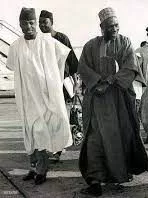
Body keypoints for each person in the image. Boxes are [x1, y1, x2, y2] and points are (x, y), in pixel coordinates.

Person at [78, 7, 148, 197]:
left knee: (119, 137)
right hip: (96, 101)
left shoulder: (125, 42)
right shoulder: (90, 46)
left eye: (117, 25)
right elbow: (83, 67)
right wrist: (96, 83)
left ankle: (118, 174)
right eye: (110, 26)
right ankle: (94, 180)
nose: (115, 29)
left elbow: (130, 66)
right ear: (102, 27)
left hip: (118, 100)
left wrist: (109, 81)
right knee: (94, 139)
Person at [6, 8, 73, 185]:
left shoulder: (48, 42)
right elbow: (12, 66)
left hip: (44, 97)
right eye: (24, 23)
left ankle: (42, 170)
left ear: (35, 23)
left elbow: (63, 58)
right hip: (26, 96)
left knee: (41, 131)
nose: (28, 26)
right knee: (29, 132)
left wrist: (55, 86)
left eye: (31, 23)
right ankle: (33, 167)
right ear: (19, 25)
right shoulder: (15, 46)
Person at [38, 9, 78, 161]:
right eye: (40, 23)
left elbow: (72, 61)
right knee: (48, 116)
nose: (42, 25)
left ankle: (60, 148)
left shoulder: (62, 38)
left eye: (45, 22)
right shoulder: (39, 40)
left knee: (61, 116)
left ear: (51, 22)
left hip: (62, 84)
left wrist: (75, 83)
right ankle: (53, 146)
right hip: (46, 85)